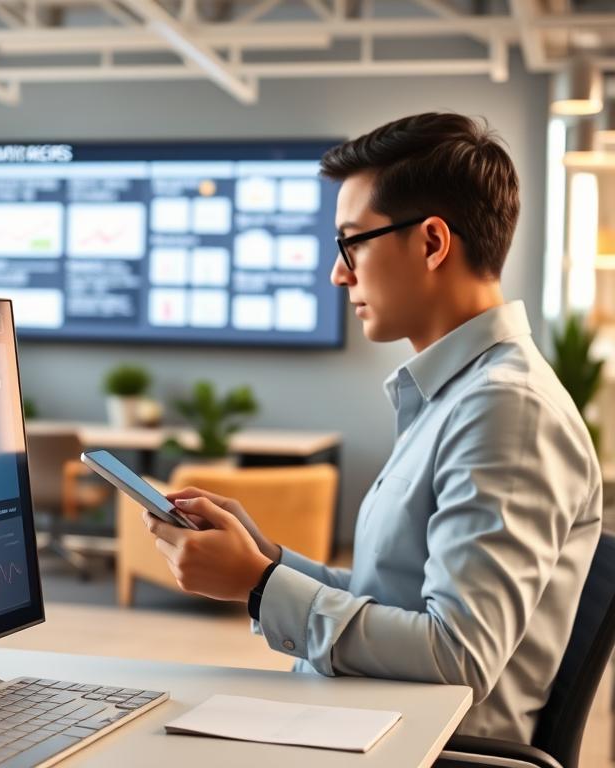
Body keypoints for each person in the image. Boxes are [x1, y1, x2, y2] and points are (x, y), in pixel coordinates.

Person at [142, 112, 602, 743]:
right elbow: (390, 600)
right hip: (367, 728)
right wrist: (267, 560)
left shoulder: (507, 410)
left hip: (421, 749)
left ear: (433, 243)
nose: (339, 273)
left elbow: (457, 657)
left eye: (352, 242)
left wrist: (259, 587)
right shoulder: (459, 396)